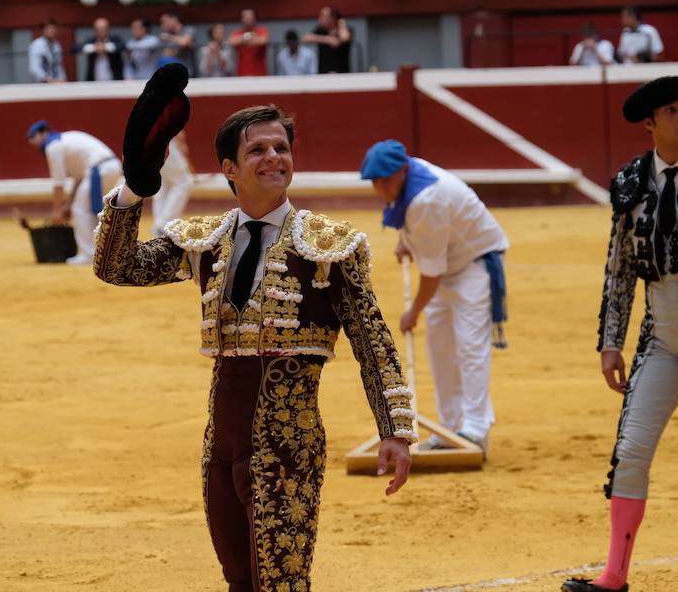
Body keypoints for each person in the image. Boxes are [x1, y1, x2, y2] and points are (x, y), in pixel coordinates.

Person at [94, 65, 415, 591]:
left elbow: (373, 341)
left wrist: (395, 430)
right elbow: (118, 267)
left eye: (281, 148)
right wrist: (134, 189)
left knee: (281, 584)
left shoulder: (330, 244)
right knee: (238, 581)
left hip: (288, 449)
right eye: (258, 151)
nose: (274, 158)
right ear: (229, 168)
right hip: (219, 446)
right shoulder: (205, 239)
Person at [561, 76, 678, 592]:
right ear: (650, 123)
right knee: (630, 450)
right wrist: (611, 341)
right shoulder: (631, 181)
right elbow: (619, 268)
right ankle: (614, 576)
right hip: (659, 332)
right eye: (672, 111)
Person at [361, 140, 509, 455]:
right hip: (450, 261)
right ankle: (449, 428)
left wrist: (413, 311)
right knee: (441, 348)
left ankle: (474, 431)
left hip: (476, 264)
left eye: (386, 180)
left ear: (402, 170)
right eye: (375, 182)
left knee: (470, 347)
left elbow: (431, 274)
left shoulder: (427, 199)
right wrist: (407, 240)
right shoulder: (410, 178)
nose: (381, 188)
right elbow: (418, 230)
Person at [26, 120, 121, 265]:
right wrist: (67, 205)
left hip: (99, 170)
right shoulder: (65, 141)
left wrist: (57, 211)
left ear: (44, 133)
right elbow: (79, 179)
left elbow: (59, 183)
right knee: (89, 210)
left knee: (80, 209)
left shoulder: (53, 146)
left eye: (34, 137)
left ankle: (89, 254)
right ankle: (104, 251)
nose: (32, 141)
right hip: (109, 167)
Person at [151, 131, 195, 237]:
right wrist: (180, 141)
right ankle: (164, 224)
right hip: (164, 140)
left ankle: (160, 224)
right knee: (184, 182)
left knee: (164, 183)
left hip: (148, 141)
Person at [303, 7, 353, 74]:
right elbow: (306, 38)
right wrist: (328, 39)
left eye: (323, 16)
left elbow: (345, 38)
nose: (320, 19)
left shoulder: (344, 29)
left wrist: (342, 24)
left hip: (341, 73)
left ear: (332, 18)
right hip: (324, 73)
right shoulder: (320, 30)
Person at [74, 17, 125, 82]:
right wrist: (94, 48)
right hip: (94, 82)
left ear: (108, 29)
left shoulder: (115, 39)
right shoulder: (91, 40)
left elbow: (122, 46)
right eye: (98, 29)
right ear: (94, 30)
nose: (101, 31)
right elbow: (75, 48)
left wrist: (105, 47)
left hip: (114, 81)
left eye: (103, 28)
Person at [228, 8, 269, 76]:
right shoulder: (237, 32)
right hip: (242, 74)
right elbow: (232, 41)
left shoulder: (262, 30)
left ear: (254, 18)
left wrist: (242, 41)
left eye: (250, 17)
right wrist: (248, 36)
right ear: (242, 19)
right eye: (245, 17)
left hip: (260, 75)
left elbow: (263, 40)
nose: (248, 19)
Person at [158, 11, 196, 77]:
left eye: (164, 21)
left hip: (189, 74)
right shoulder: (167, 36)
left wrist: (168, 37)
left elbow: (184, 42)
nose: (163, 25)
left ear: (174, 19)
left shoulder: (188, 29)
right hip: (173, 75)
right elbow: (166, 54)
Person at [28, 18, 66, 83]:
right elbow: (34, 68)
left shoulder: (56, 45)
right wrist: (49, 80)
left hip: (56, 84)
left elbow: (58, 66)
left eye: (54, 28)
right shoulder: (37, 45)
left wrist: (62, 79)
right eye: (49, 28)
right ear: (43, 30)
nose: (52, 31)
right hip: (41, 85)